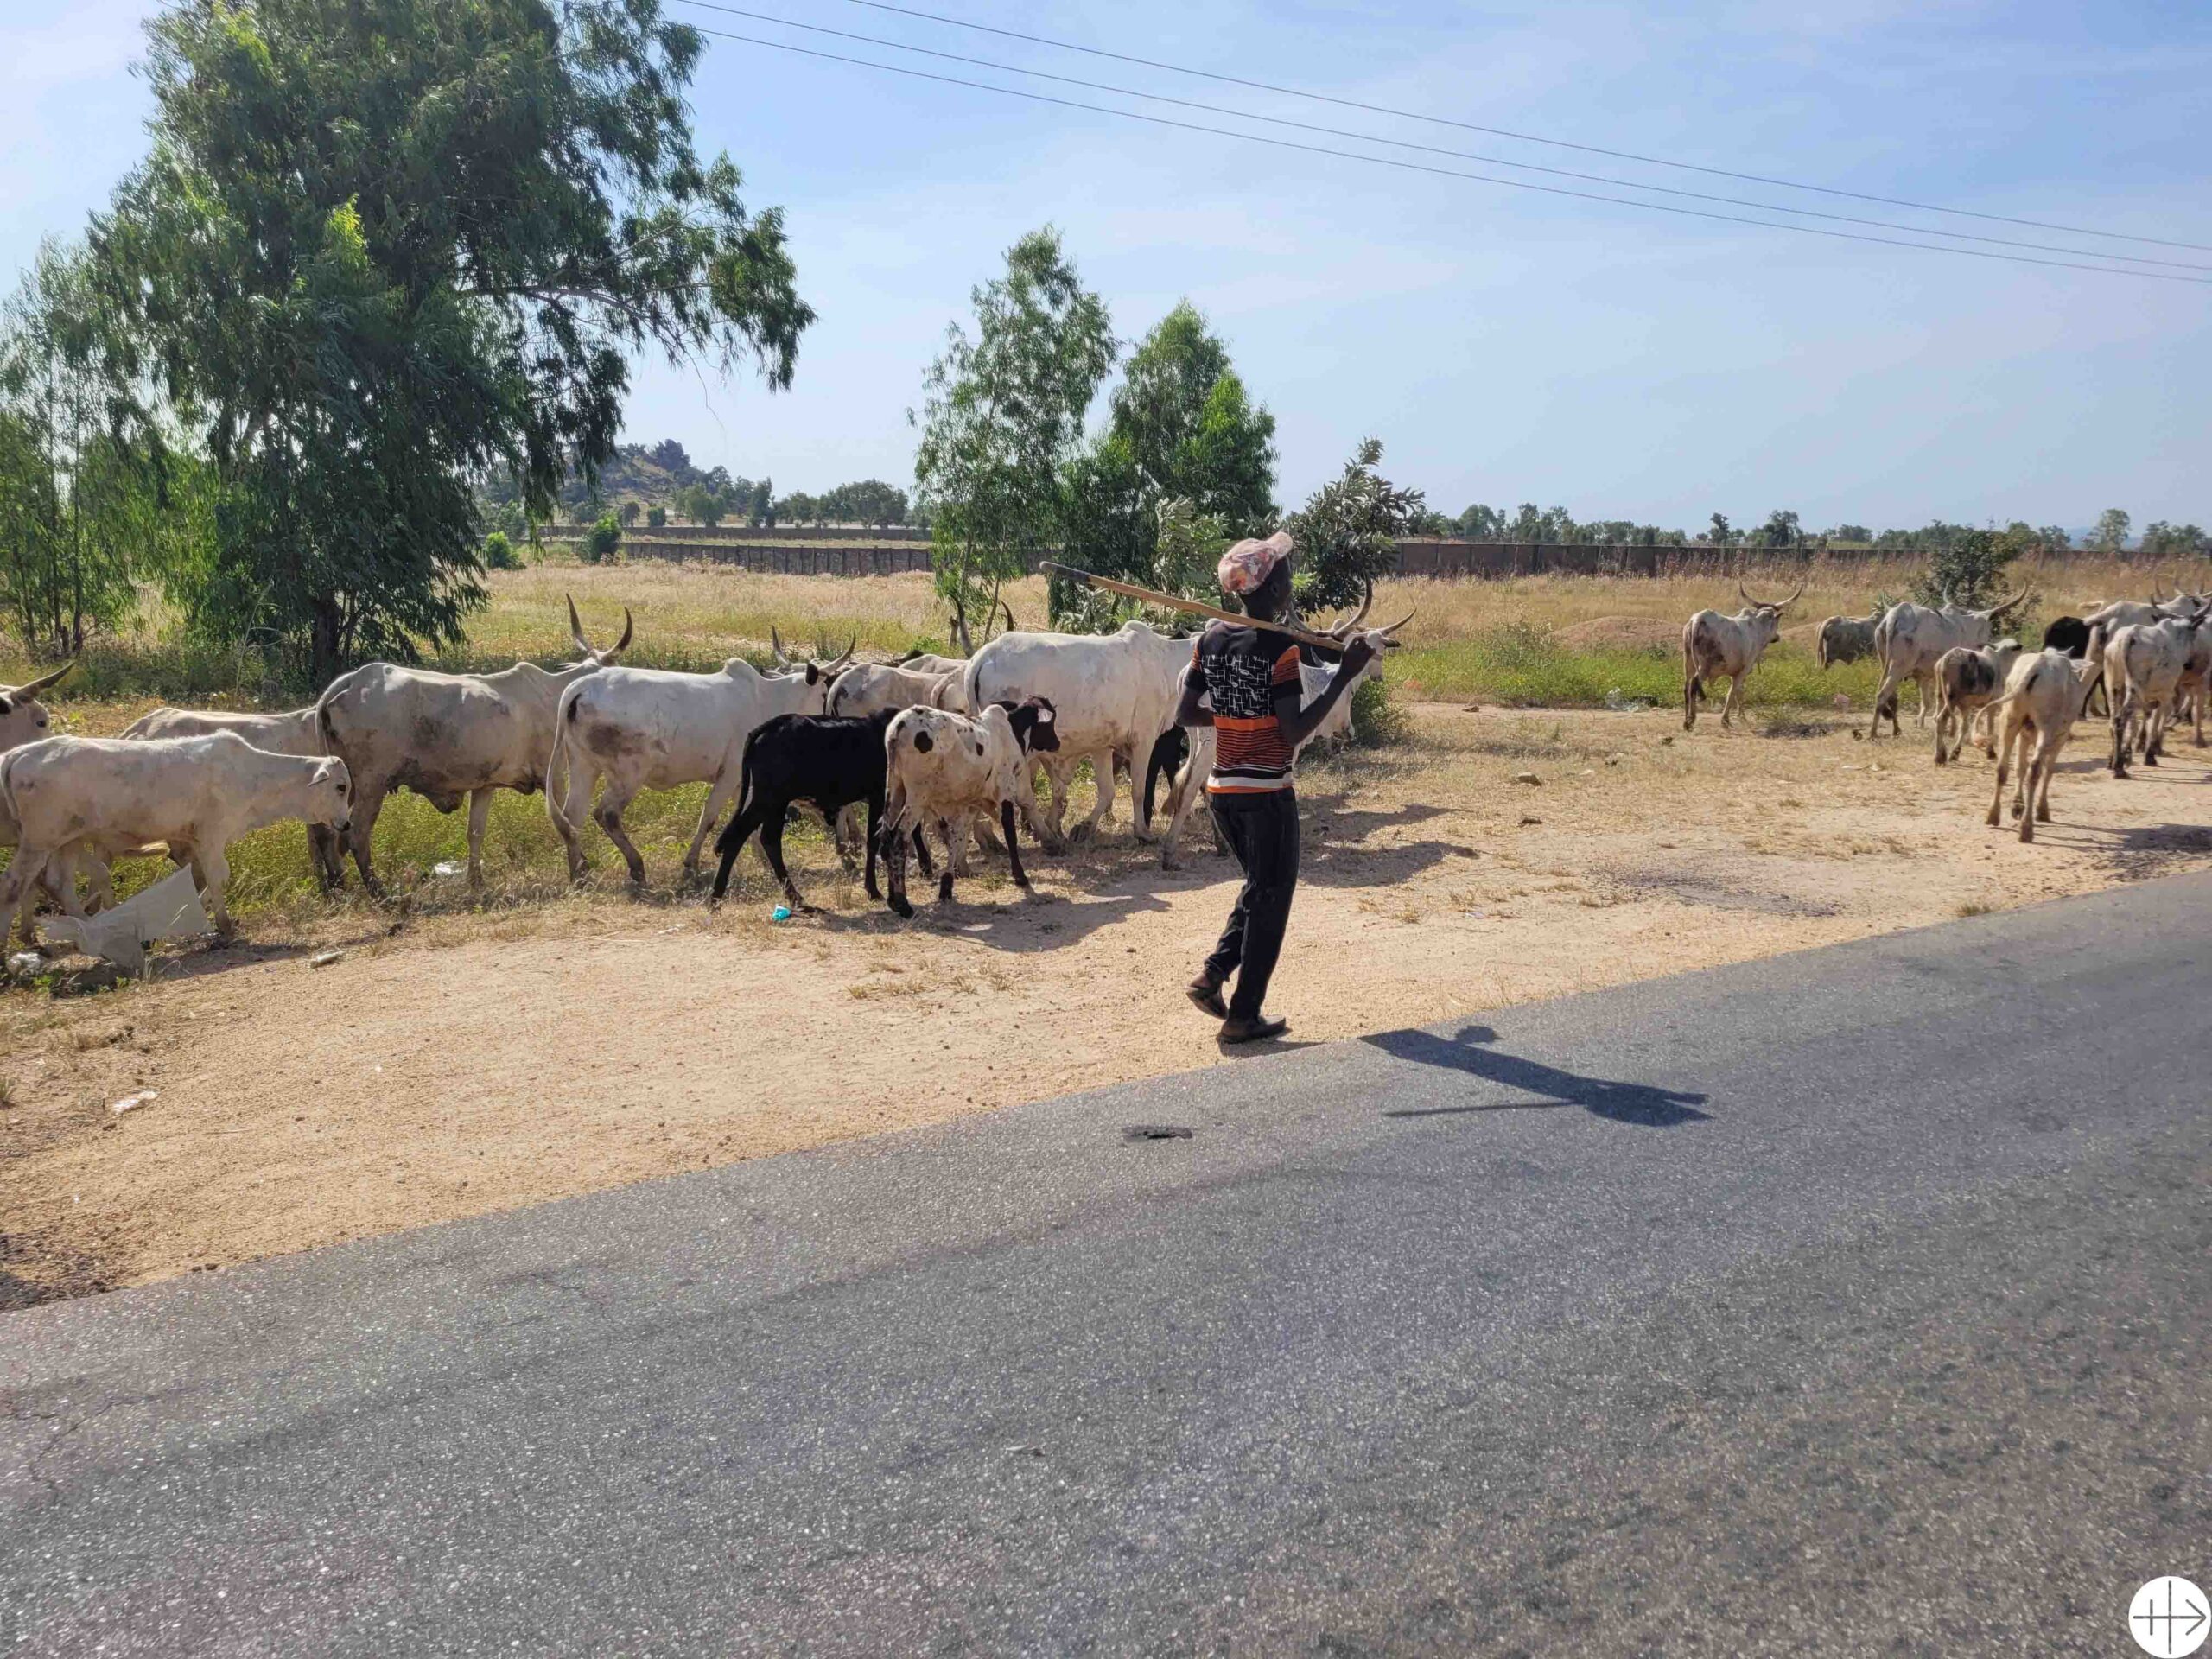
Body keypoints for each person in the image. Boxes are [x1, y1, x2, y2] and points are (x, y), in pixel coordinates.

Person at [1173, 531, 1376, 1044]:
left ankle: (1213, 974)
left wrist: (1234, 712)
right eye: (1285, 571)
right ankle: (1243, 1014)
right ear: (1275, 585)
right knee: (1273, 897)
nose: (1290, 579)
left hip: (1223, 792)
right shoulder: (1280, 649)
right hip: (1266, 792)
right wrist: (1341, 676)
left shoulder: (1209, 641)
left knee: (1257, 889)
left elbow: (1185, 713)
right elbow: (1292, 733)